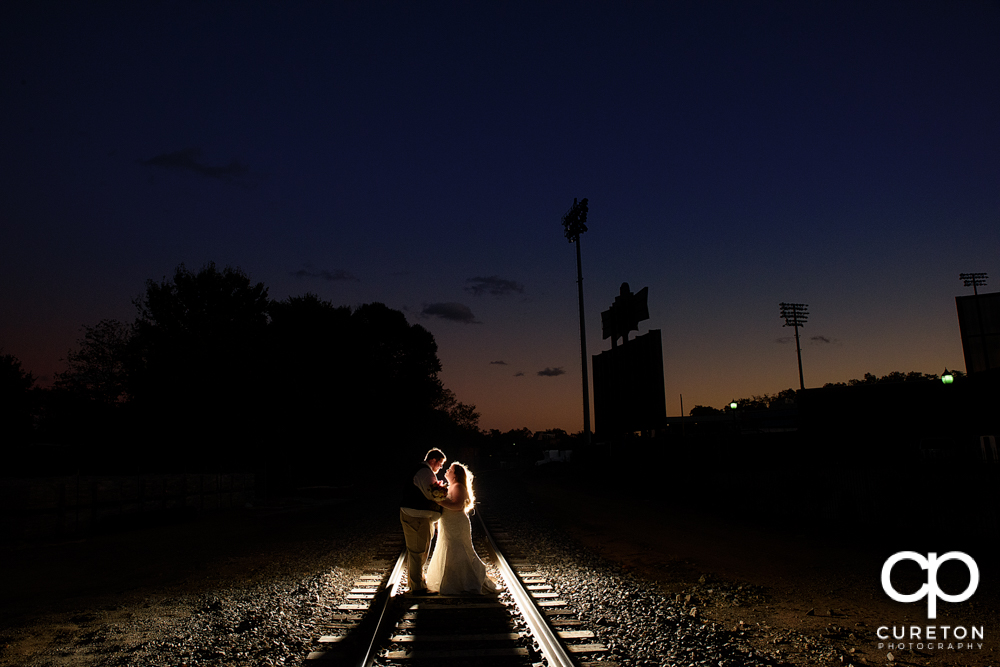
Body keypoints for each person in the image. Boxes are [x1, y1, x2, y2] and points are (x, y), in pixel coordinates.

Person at [426, 462, 499, 595]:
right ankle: (452, 581)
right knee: (448, 548)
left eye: (450, 469)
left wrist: (438, 501)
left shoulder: (458, 486)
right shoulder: (452, 486)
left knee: (458, 550)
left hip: (456, 523)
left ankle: (460, 582)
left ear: (455, 475)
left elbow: (458, 506)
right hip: (448, 523)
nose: (447, 470)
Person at [400, 448, 446, 595]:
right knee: (418, 551)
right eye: (440, 463)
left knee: (419, 550)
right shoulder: (425, 472)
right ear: (432, 460)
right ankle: (417, 587)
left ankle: (415, 582)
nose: (440, 467)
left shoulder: (423, 471)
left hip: (418, 516)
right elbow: (431, 494)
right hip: (416, 517)